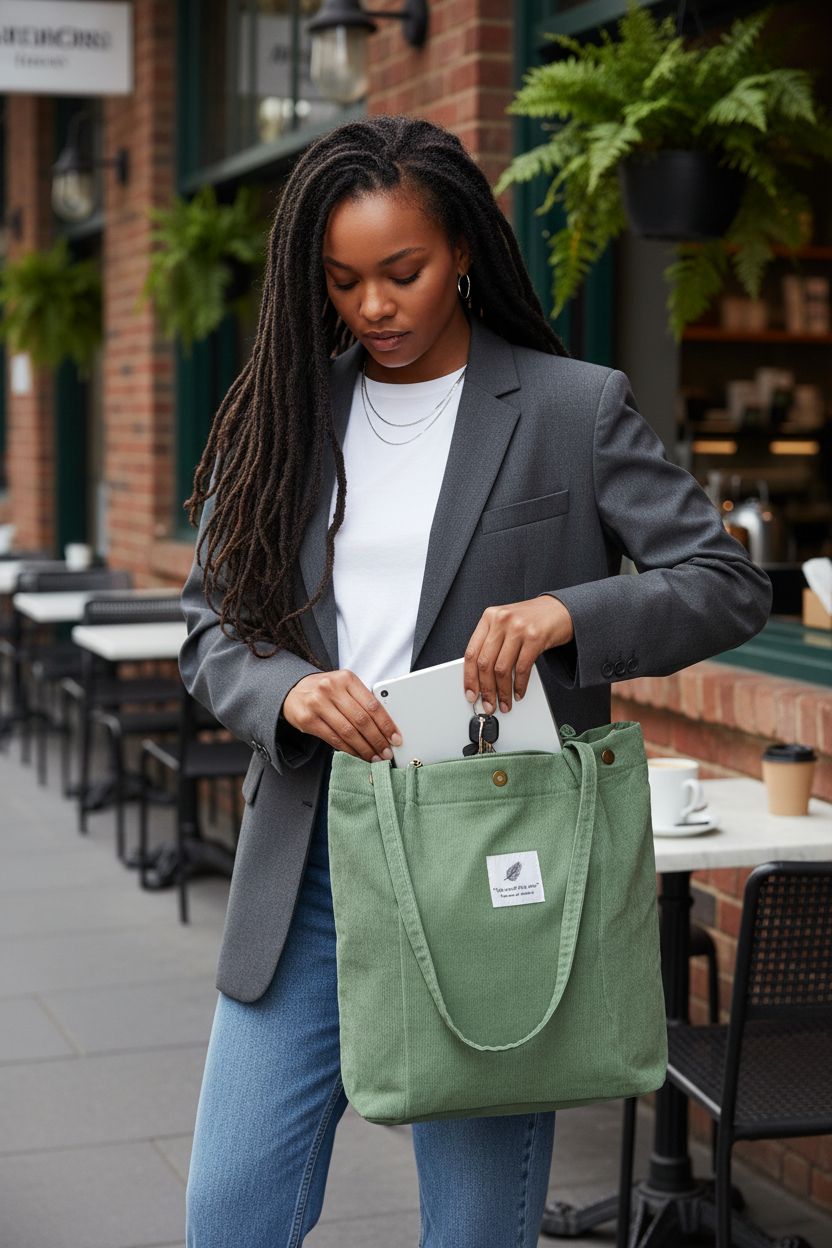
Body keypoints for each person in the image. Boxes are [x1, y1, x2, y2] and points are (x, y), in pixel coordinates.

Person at [179, 115, 771, 1247]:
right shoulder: (284, 415)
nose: (373, 306)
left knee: (473, 1231)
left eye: (401, 272)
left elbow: (726, 583)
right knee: (231, 1211)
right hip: (313, 861)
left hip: (496, 867)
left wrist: (569, 612)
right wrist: (287, 692)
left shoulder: (572, 407)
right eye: (343, 281)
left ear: (461, 248)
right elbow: (210, 626)